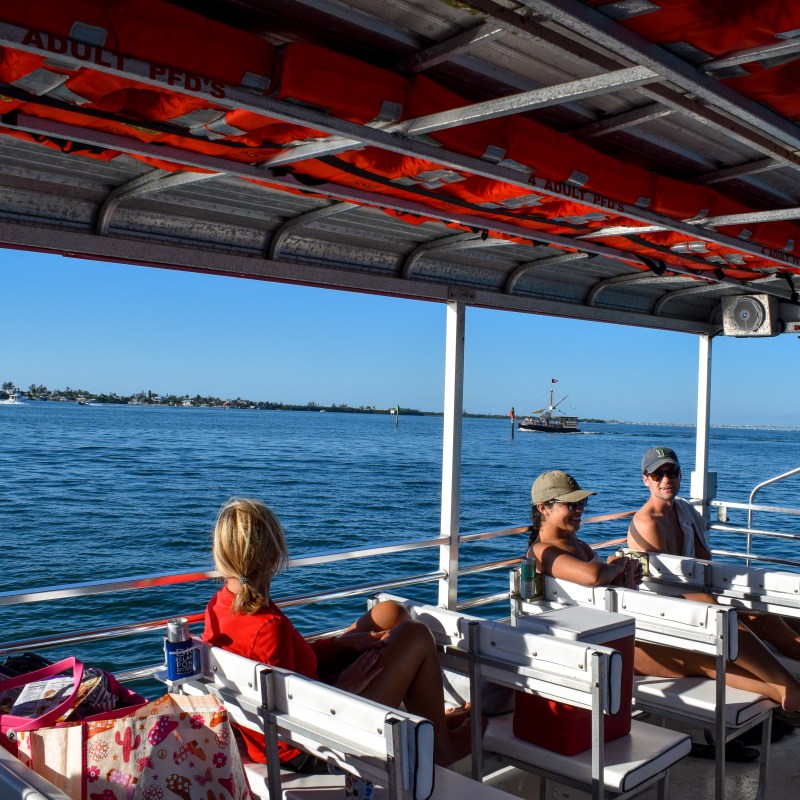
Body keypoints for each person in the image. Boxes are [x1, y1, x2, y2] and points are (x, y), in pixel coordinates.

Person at [202, 497, 473, 771]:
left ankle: (429, 720)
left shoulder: (220, 606)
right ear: (272, 555)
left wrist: (341, 645)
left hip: (301, 708)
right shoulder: (269, 626)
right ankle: (441, 746)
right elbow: (294, 717)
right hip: (310, 743)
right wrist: (343, 688)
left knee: (389, 613)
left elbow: (288, 667)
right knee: (416, 635)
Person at [528, 470, 800, 714]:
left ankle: (785, 693)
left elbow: (598, 586)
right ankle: (785, 691)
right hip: (599, 647)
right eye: (571, 504)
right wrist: (617, 563)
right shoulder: (542, 551)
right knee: (703, 658)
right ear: (544, 508)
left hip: (618, 630)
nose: (579, 510)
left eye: (582, 503)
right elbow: (592, 576)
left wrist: (621, 578)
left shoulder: (580, 545)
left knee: (721, 621)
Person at [628, 446, 800, 661]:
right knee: (765, 621)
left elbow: (703, 561)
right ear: (646, 480)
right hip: (671, 607)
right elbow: (664, 585)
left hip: (695, 594)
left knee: (783, 617)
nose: (666, 480)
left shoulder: (685, 510)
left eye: (671, 473)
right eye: (657, 474)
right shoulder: (649, 523)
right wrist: (717, 604)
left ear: (680, 475)